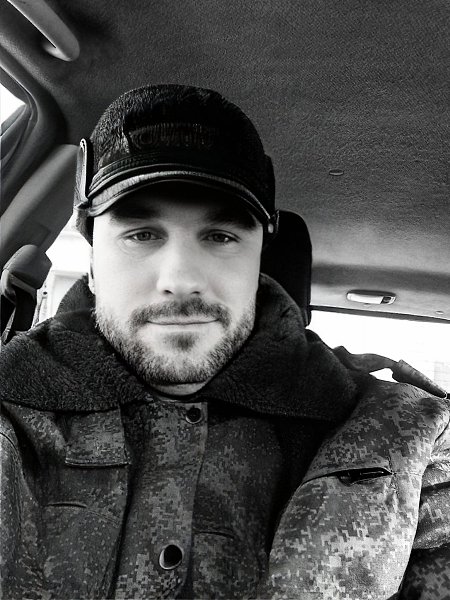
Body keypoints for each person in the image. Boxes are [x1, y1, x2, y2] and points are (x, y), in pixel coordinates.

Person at [0, 84, 449, 600]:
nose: (181, 279)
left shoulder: (403, 435)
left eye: (220, 236)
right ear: (94, 264)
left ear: (258, 262)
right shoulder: (12, 412)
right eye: (142, 234)